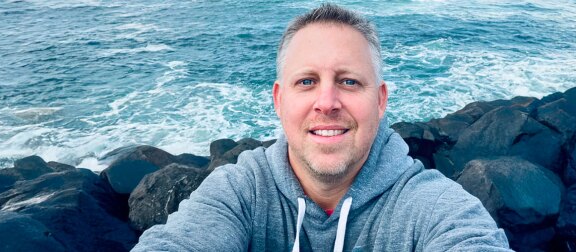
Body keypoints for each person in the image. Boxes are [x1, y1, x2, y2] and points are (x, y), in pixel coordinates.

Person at [133, 4, 511, 251]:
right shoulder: (239, 191)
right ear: (279, 100)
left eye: (348, 81)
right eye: (307, 81)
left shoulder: (431, 205)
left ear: (380, 101)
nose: (327, 102)